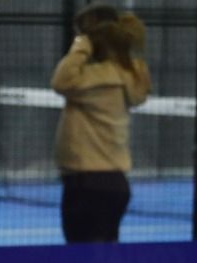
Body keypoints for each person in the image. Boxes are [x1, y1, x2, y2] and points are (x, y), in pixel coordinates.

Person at [51, 3, 151, 243]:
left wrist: (80, 47)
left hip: (89, 185)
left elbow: (61, 81)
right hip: (112, 183)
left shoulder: (101, 78)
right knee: (105, 256)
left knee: (83, 259)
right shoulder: (128, 74)